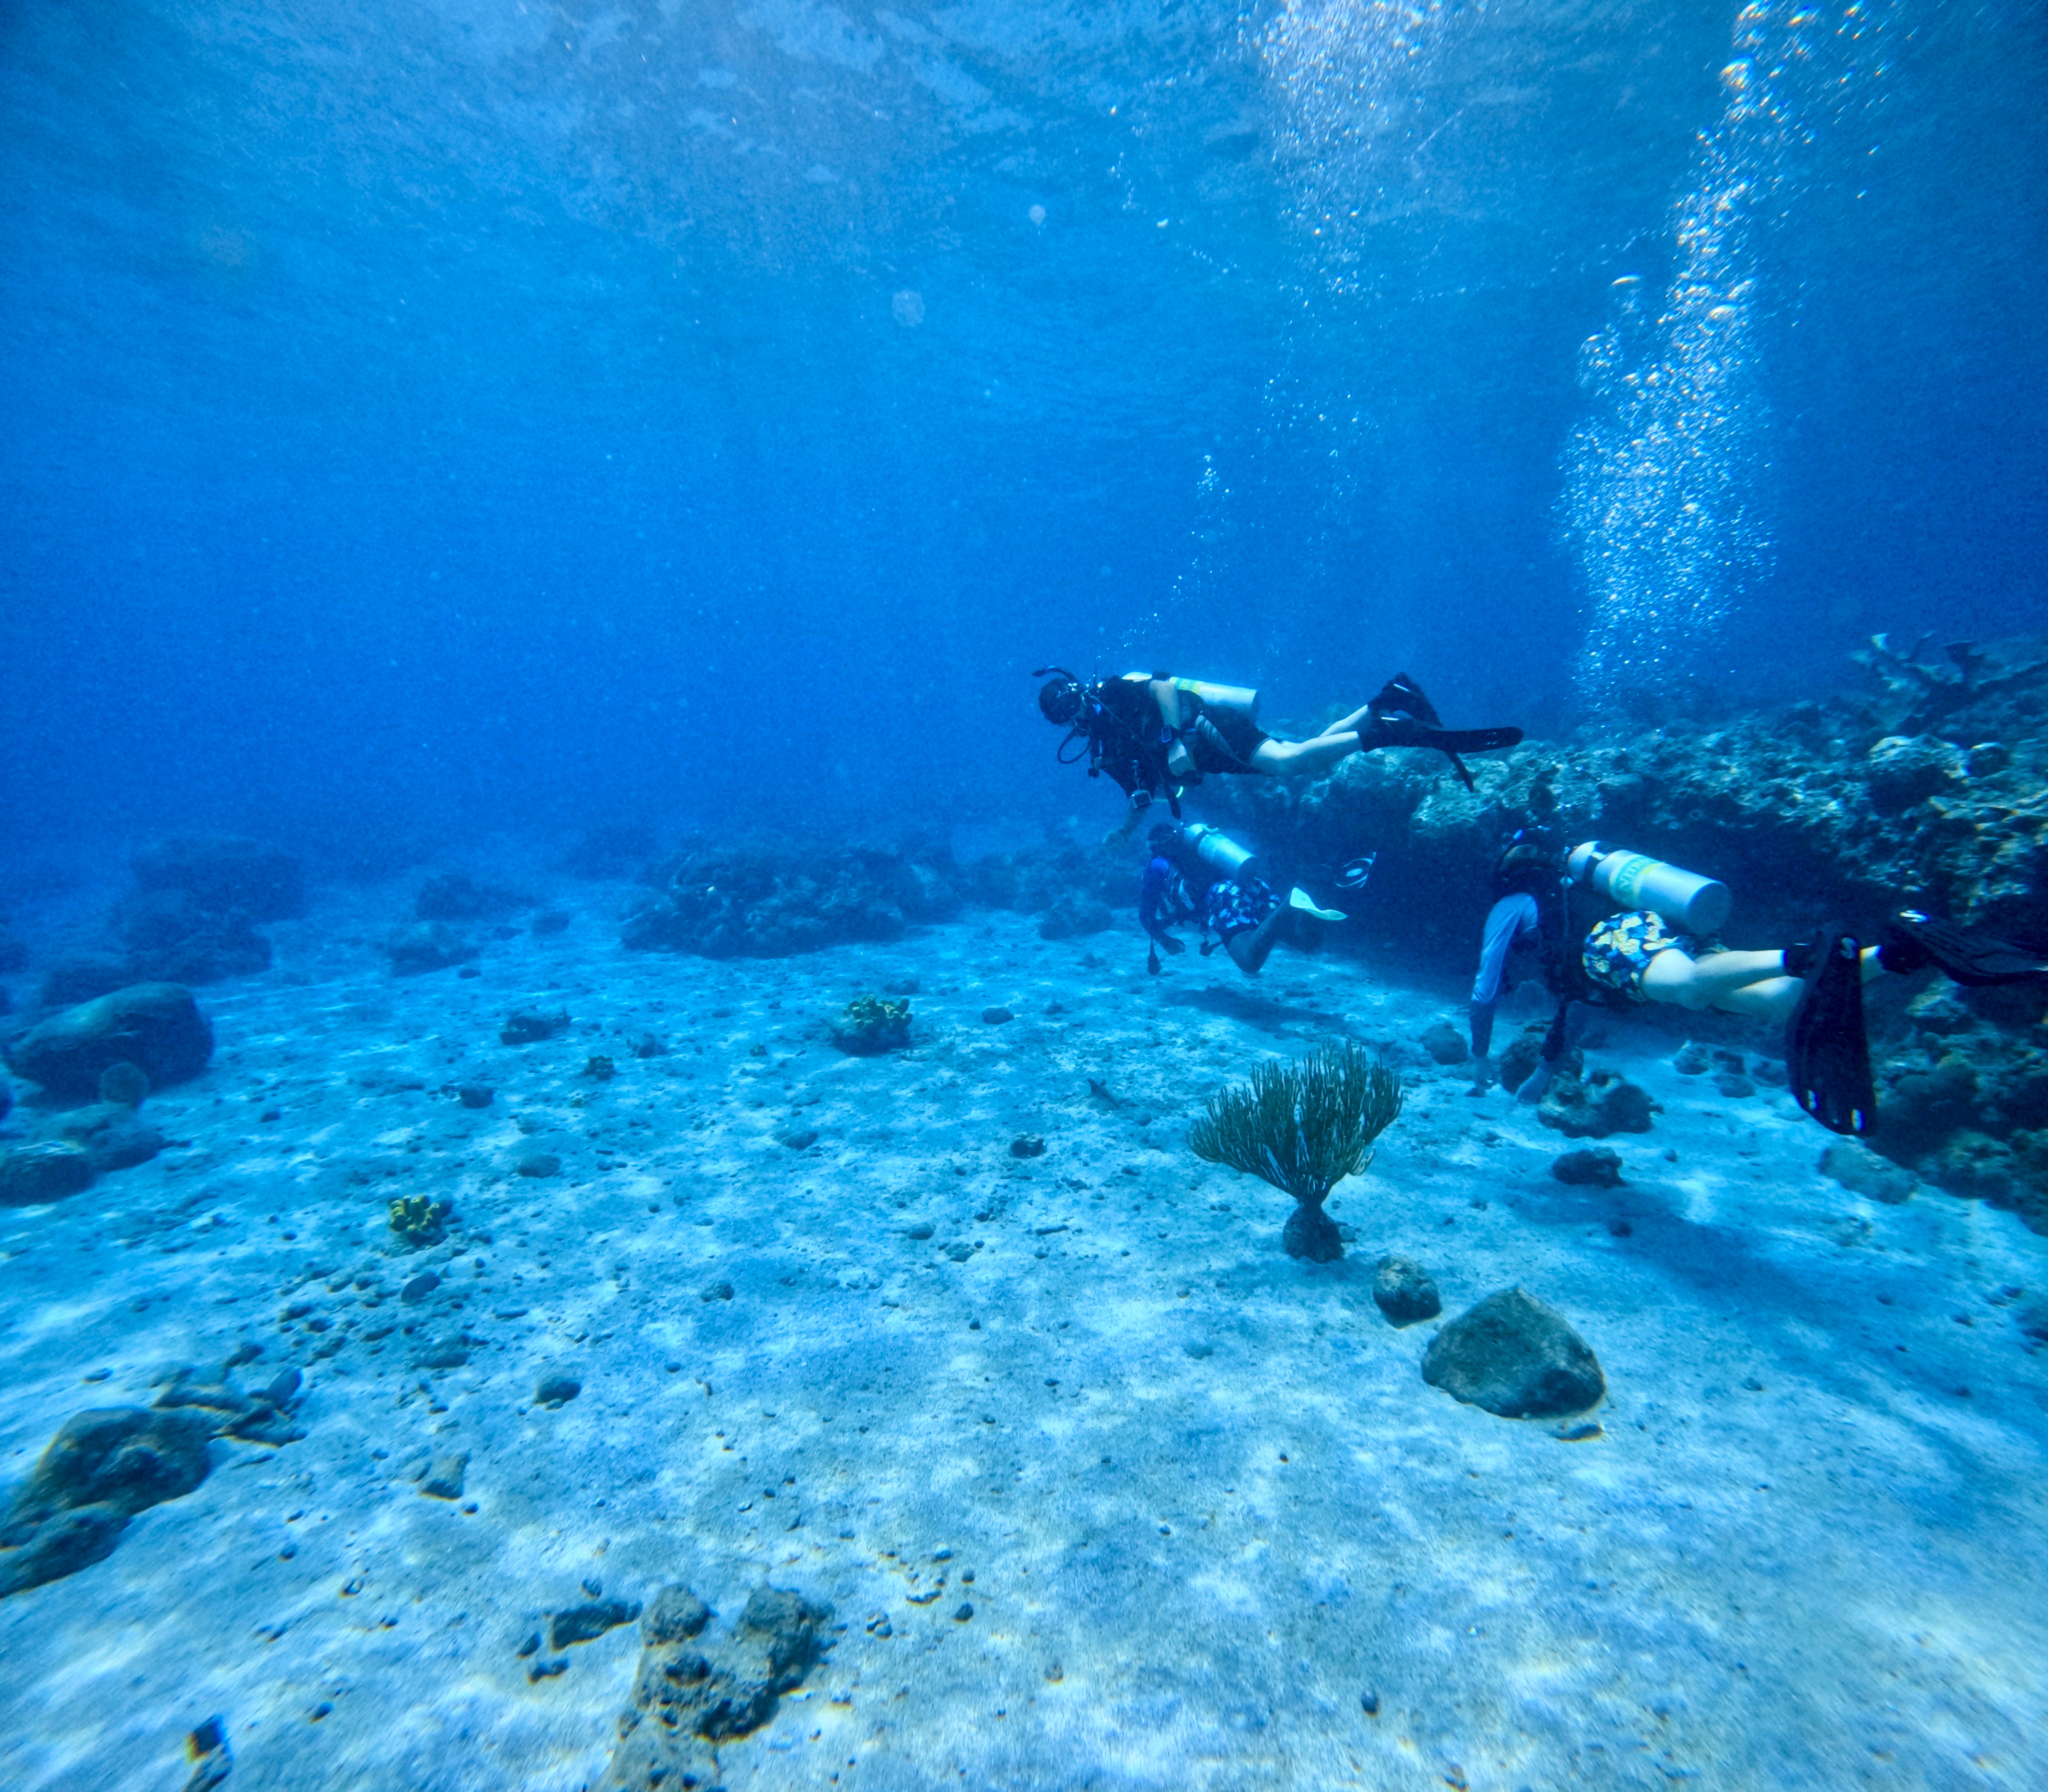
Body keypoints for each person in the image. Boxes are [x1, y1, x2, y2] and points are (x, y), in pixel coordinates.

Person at [1476, 835, 2048, 1134]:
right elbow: (1575, 1002)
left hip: (1616, 944)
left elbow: (1483, 989)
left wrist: (1480, 1061)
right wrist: (1545, 1072)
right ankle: (1900, 951)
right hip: (1651, 930)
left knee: (1692, 986)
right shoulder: (1574, 892)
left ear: (1506, 871)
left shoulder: (1513, 902)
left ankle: (1800, 953)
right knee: (1780, 1005)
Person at [1035, 668, 1522, 842]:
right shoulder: (1103, 747)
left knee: (1291, 765)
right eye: (1068, 714)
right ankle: (1386, 701)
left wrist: (1175, 740)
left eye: (1074, 703)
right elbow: (1143, 795)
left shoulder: (1113, 694)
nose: (1077, 714)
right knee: (1302, 754)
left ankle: (1394, 732)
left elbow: (1163, 684)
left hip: (1205, 730)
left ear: (1080, 693)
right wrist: (1123, 831)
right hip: (1211, 755)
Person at [1138, 823, 1345, 978]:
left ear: (1154, 847)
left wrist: (1165, 941)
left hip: (1224, 896)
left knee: (1249, 962)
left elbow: (1145, 916)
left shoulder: (1157, 865)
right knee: (1307, 944)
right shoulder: (1195, 847)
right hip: (1251, 885)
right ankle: (1305, 899)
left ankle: (1289, 905)